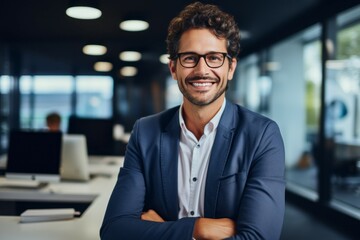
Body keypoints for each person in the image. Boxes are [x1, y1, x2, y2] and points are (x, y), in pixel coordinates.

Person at [100, 2, 285, 239]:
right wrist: (199, 228)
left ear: (231, 68)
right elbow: (114, 230)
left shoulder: (262, 135)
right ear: (174, 68)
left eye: (214, 58)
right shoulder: (145, 132)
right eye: (189, 58)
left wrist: (160, 230)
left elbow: (259, 238)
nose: (202, 69)